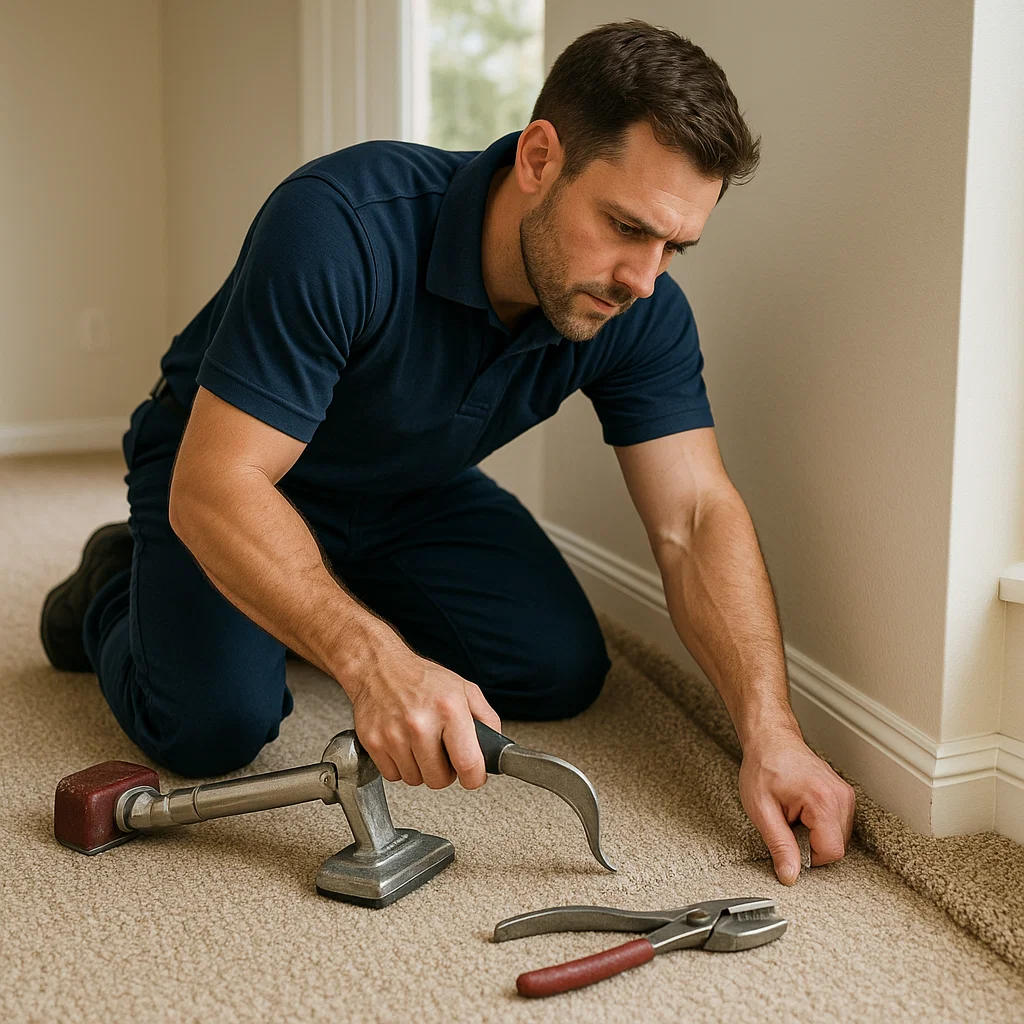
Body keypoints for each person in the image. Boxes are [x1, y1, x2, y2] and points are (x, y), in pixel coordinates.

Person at [40, 20, 854, 885]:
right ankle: (110, 584)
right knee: (215, 725)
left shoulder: (638, 306)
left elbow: (694, 515)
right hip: (228, 467)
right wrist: (369, 659)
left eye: (673, 247)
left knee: (560, 670)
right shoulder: (340, 223)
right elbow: (217, 484)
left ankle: (303, 594)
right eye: (624, 226)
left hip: (406, 485)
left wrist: (772, 733)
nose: (642, 278)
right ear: (539, 157)